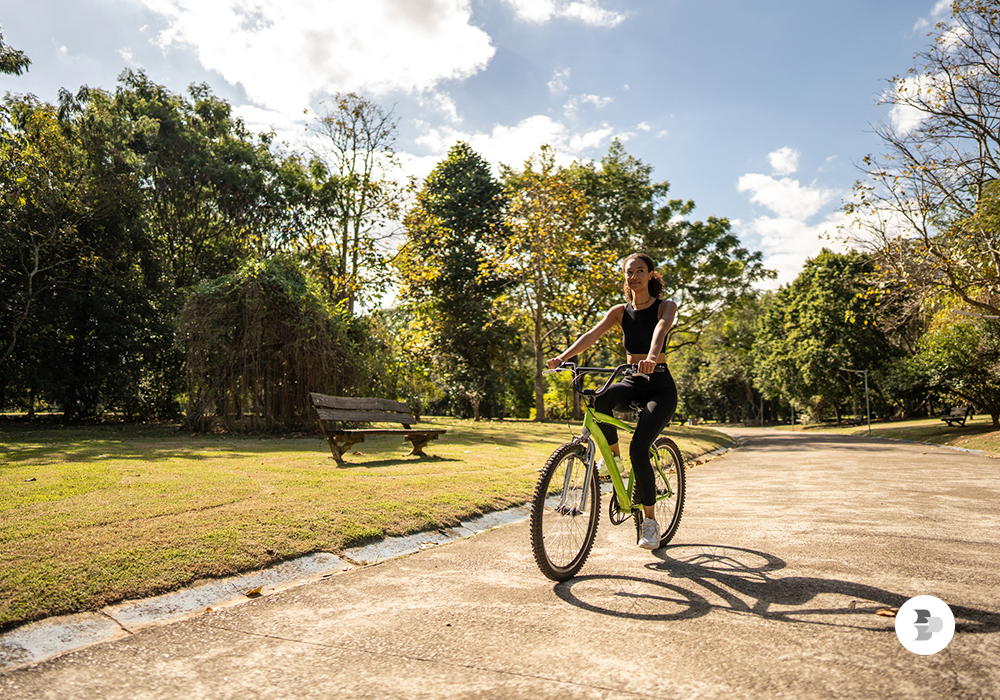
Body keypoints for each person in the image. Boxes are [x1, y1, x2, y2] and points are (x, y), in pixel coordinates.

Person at [546, 253, 678, 550]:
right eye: (629, 272)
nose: (634, 277)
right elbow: (591, 335)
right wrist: (563, 358)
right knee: (599, 399)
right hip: (632, 379)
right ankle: (613, 460)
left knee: (640, 448)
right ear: (625, 276)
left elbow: (660, 329)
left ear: (650, 275)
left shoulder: (665, 305)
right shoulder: (620, 311)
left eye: (640, 271)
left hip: (658, 385)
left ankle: (651, 523)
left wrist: (651, 357)